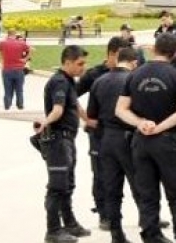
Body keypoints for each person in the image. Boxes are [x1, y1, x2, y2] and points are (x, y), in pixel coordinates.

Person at [116, 33, 176, 243]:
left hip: (141, 141)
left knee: (148, 196)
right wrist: (161, 126)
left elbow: (121, 109)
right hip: (167, 141)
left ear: (153, 49)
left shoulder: (135, 74)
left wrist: (141, 123)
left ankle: (150, 237)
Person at [35, 45, 91, 243]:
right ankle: (53, 230)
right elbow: (58, 109)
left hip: (67, 139)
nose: (83, 68)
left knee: (67, 184)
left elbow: (75, 105)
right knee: (57, 187)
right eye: (79, 64)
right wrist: (46, 122)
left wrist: (89, 121)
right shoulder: (59, 81)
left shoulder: (68, 81)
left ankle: (69, 224)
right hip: (58, 140)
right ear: (67, 62)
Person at [87, 47, 141, 243]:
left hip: (106, 139)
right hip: (128, 138)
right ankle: (149, 227)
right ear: (133, 62)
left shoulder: (99, 81)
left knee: (111, 189)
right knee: (140, 185)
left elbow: (91, 114)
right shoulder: (133, 80)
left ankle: (116, 233)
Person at [77, 36, 130, 228]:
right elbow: (70, 95)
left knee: (135, 173)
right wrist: (86, 118)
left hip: (125, 132)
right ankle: (104, 215)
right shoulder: (94, 75)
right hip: (99, 133)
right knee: (101, 175)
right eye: (121, 56)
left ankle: (146, 214)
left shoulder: (130, 73)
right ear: (111, 54)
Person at [0, 29, 32, 110]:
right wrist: (25, 59)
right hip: (19, 69)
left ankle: (7, 104)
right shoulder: (21, 43)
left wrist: (2, 59)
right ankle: (20, 105)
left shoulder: (3, 43)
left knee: (7, 89)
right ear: (15, 34)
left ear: (8, 34)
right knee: (19, 89)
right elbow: (31, 49)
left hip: (7, 69)